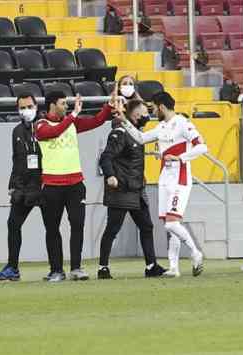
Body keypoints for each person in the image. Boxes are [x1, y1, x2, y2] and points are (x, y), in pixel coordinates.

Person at [116, 91, 208, 278]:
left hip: (180, 178)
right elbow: (141, 139)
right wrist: (124, 121)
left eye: (154, 107)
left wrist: (181, 157)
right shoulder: (161, 127)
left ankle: (195, 252)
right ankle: (173, 267)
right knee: (169, 223)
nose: (152, 111)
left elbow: (202, 146)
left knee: (171, 224)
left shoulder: (183, 123)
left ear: (162, 107)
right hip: (165, 178)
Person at [35, 91, 115, 282]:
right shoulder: (41, 125)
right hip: (52, 185)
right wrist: (72, 117)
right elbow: (52, 133)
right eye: (63, 103)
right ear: (52, 105)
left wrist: (108, 106)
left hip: (75, 184)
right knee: (52, 228)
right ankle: (56, 270)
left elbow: (96, 121)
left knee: (77, 225)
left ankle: (76, 268)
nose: (67, 107)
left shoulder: (71, 122)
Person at [97, 99, 167, 279]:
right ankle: (103, 267)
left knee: (146, 227)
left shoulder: (136, 133)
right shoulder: (120, 133)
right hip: (121, 189)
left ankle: (151, 266)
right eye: (144, 113)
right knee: (112, 229)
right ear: (135, 115)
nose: (147, 116)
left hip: (136, 190)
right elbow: (106, 157)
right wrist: (110, 176)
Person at [0, 93, 43, 281]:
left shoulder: (45, 126)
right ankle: (12, 267)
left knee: (51, 227)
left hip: (45, 184)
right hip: (24, 186)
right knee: (13, 224)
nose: (26, 110)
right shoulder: (17, 131)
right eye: (22, 107)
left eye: (29, 106)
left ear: (36, 106)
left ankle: (57, 269)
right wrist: (13, 185)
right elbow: (17, 160)